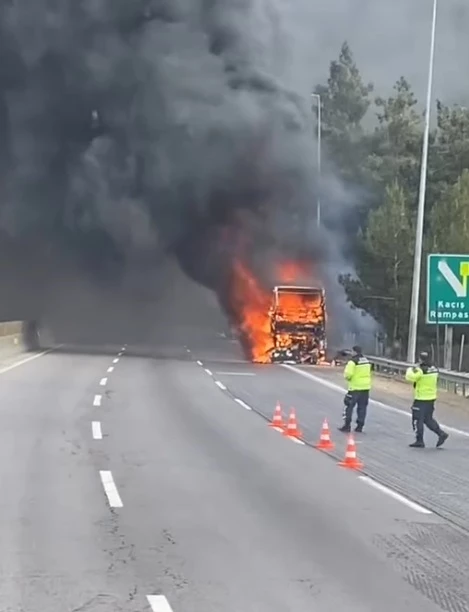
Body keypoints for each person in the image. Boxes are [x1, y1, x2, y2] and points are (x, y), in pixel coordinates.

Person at [405, 351, 449, 448]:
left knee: (417, 419)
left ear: (420, 359)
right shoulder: (434, 369)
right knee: (428, 419)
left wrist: (411, 369)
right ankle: (441, 433)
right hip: (431, 398)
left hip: (421, 398)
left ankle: (419, 440)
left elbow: (409, 377)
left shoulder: (420, 370)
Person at [338, 345, 372, 433]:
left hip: (355, 388)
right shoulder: (366, 361)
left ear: (354, 352)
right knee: (362, 407)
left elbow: (348, 375)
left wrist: (348, 378)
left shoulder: (352, 362)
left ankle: (347, 425)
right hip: (365, 388)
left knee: (348, 406)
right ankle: (359, 426)